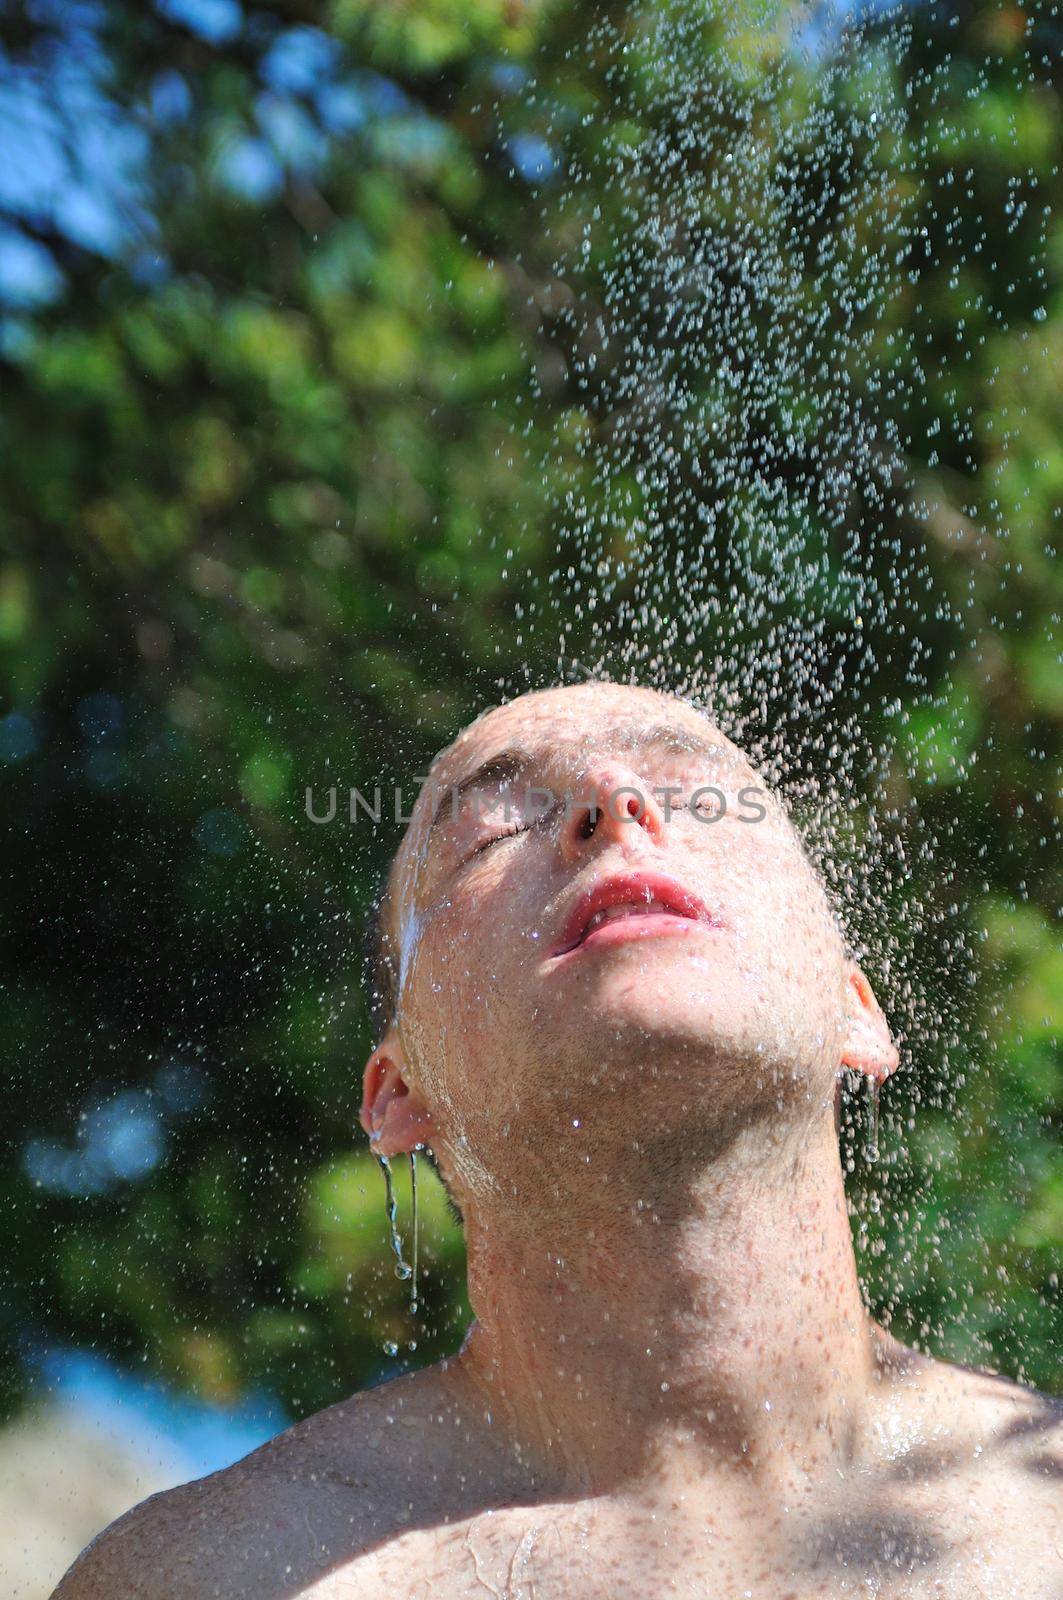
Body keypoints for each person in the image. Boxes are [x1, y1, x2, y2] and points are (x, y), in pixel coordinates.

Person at [55, 681, 1061, 1599]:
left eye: (706, 797)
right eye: (491, 832)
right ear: (399, 1092)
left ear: (858, 1013)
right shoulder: (214, 1576)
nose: (612, 799)